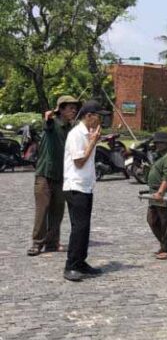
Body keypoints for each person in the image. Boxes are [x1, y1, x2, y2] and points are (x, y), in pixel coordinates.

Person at [28, 95, 80, 256]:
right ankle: (37, 243)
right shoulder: (53, 123)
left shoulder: (71, 128)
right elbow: (48, 123)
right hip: (45, 173)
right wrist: (49, 117)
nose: (74, 110)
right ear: (61, 109)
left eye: (75, 108)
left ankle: (52, 242)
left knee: (57, 211)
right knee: (42, 210)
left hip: (62, 175)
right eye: (70, 108)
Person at [62, 100, 107, 282]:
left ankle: (80, 262)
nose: (101, 120)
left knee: (84, 227)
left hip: (86, 185)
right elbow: (79, 161)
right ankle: (71, 265)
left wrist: (92, 140)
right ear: (89, 116)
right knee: (79, 227)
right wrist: (93, 142)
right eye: (99, 116)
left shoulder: (87, 133)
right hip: (75, 186)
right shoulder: (76, 134)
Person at [146, 131, 167, 260]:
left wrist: (160, 192)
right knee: (152, 220)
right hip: (154, 193)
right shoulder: (161, 156)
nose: (158, 145)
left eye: (161, 142)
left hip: (164, 193)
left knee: (165, 221)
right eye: (156, 142)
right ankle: (166, 244)